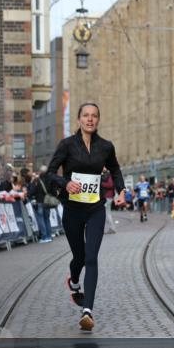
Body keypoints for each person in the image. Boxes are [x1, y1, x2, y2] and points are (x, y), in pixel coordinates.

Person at [47, 102, 126, 331]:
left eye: (94, 116)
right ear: (79, 119)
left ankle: (87, 311)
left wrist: (121, 191)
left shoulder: (105, 147)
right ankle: (73, 280)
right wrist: (65, 182)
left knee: (91, 257)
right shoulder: (67, 145)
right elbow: (50, 174)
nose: (90, 119)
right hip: (72, 209)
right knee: (79, 257)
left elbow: (115, 169)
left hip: (95, 209)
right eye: (86, 116)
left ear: (98, 120)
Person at [29, 165, 56, 243]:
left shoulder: (37, 180)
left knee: (41, 219)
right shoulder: (50, 180)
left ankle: (44, 237)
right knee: (47, 219)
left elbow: (31, 192)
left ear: (40, 172)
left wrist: (30, 194)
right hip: (48, 202)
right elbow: (54, 191)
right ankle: (49, 236)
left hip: (39, 201)